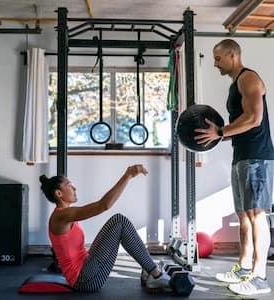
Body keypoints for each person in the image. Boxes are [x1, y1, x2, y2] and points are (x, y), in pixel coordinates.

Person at [194, 39, 274, 296]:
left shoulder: (248, 78)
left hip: (257, 157)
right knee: (243, 216)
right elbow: (241, 121)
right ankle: (242, 268)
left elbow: (254, 118)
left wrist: (220, 131)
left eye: (218, 59)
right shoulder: (235, 84)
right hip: (242, 155)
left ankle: (259, 277)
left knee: (257, 215)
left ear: (231, 55)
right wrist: (217, 136)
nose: (215, 63)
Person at [39, 164, 171, 293]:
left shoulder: (65, 214)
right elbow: (103, 205)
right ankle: (156, 274)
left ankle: (151, 271)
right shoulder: (61, 216)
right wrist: (128, 175)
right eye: (69, 185)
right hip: (84, 280)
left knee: (119, 222)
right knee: (119, 222)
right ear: (58, 193)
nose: (74, 188)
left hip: (87, 269)